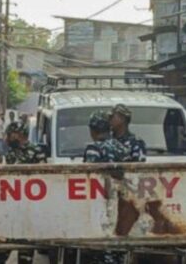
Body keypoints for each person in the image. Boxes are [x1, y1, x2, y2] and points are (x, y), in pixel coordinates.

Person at [0, 123, 47, 264]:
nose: (7, 138)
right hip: (9, 210)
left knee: (25, 255)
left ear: (18, 134)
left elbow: (44, 177)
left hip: (29, 211)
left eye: (9, 135)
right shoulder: (10, 153)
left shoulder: (36, 151)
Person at [83, 111, 128, 264]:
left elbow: (90, 177)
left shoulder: (93, 149)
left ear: (93, 130)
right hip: (121, 204)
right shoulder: (121, 147)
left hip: (100, 205)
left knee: (100, 250)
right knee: (118, 249)